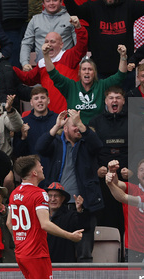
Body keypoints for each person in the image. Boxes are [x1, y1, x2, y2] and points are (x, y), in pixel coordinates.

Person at [3, 155, 83, 279]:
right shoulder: (39, 194)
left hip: (22, 252)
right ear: (33, 172)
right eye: (40, 165)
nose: (43, 166)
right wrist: (70, 236)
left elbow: (9, 224)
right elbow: (45, 224)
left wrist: (21, 241)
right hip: (36, 252)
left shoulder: (14, 194)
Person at [36, 109, 103, 261]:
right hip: (58, 205)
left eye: (80, 124)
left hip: (84, 205)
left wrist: (79, 123)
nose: (78, 128)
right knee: (58, 248)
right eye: (74, 125)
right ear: (65, 128)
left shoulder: (87, 143)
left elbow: (98, 146)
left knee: (84, 252)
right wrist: (56, 126)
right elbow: (40, 147)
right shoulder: (56, 144)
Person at [64, 0, 144, 78]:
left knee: (127, 102)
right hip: (100, 70)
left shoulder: (129, 5)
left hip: (125, 70)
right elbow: (75, 11)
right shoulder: (93, 7)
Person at [13, 16, 88, 114]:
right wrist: (11, 69)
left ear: (61, 45)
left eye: (53, 41)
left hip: (69, 113)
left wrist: (78, 27)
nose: (49, 44)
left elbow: (82, 46)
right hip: (49, 115)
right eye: (46, 42)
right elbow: (29, 79)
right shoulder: (41, 63)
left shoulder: (69, 56)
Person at [44, 43, 128, 125]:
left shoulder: (102, 85)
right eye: (84, 69)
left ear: (94, 73)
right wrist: (46, 55)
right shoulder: (71, 86)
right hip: (75, 131)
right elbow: (53, 74)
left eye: (90, 69)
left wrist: (123, 57)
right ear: (80, 73)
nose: (87, 72)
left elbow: (120, 76)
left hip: (96, 131)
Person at [91, 86, 128, 241]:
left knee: (128, 219)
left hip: (127, 178)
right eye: (111, 98)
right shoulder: (95, 122)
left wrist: (132, 170)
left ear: (123, 101)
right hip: (104, 180)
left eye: (118, 97)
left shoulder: (134, 120)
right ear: (105, 101)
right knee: (107, 218)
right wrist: (96, 170)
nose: (114, 101)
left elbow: (141, 148)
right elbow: (90, 152)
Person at [106, 159, 144, 262]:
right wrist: (111, 173)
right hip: (134, 251)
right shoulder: (132, 189)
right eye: (141, 170)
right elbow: (117, 183)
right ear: (138, 175)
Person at [20, 0, 76, 69]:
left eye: (55, 0)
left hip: (66, 66)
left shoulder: (70, 19)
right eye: (48, 1)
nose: (51, 3)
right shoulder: (35, 20)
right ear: (43, 3)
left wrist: (81, 63)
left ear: (61, 2)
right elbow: (26, 43)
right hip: (42, 66)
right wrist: (25, 63)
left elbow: (79, 44)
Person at [46, 182, 88, 263]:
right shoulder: (41, 214)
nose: (53, 199)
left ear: (63, 198)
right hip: (44, 263)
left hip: (64, 264)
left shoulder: (70, 215)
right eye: (50, 196)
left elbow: (83, 227)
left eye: (56, 196)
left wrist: (80, 210)